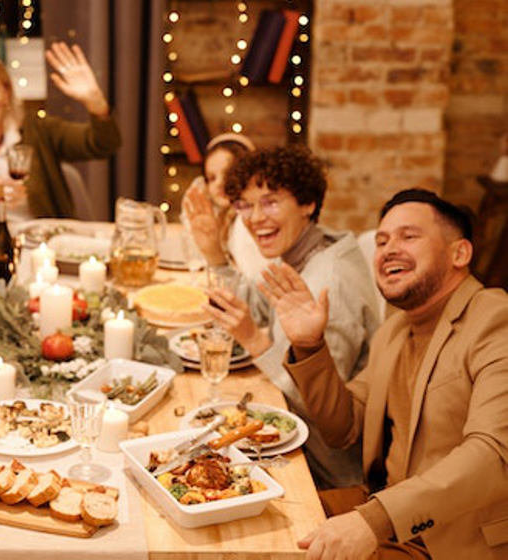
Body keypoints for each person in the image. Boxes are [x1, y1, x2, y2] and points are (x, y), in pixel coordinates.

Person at [266, 189, 508, 560]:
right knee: (265, 516)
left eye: (408, 236)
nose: (389, 248)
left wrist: (374, 520)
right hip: (386, 516)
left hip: (452, 542)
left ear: (459, 253)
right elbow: (343, 428)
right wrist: (311, 346)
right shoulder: (394, 330)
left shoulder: (495, 319)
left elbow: (494, 454)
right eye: (382, 240)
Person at [204, 146, 380, 489]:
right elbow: (255, 305)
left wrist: (255, 341)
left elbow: (322, 412)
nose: (255, 218)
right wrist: (214, 251)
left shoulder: (329, 282)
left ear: (307, 203)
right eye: (245, 205)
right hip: (296, 440)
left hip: (327, 472)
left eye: (270, 202)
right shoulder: (307, 249)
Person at [0, 43, 122, 228]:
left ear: (6, 94)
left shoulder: (39, 130)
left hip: (47, 246)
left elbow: (103, 145)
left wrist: (97, 105)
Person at [180, 133, 269, 281]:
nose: (219, 184)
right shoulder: (220, 218)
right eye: (211, 178)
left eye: (228, 173)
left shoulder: (248, 223)